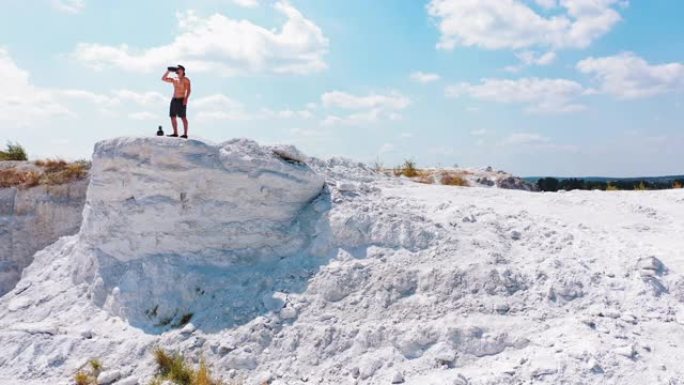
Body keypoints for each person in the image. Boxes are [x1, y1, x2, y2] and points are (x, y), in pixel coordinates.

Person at [162, 65, 192, 139]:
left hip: (181, 99)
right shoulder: (174, 79)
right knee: (172, 116)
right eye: (177, 69)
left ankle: (185, 134)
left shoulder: (186, 79)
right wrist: (168, 71)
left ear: (183, 70)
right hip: (174, 99)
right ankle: (175, 133)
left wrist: (186, 99)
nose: (178, 70)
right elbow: (163, 79)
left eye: (179, 69)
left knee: (183, 117)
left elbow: (189, 90)